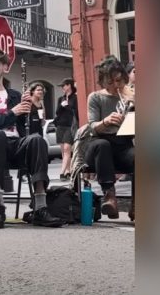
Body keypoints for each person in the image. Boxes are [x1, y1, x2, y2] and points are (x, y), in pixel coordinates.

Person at [0, 48, 64, 229]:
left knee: (37, 140)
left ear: (5, 68)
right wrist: (12, 113)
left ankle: (40, 207)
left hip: (16, 147)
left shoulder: (15, 96)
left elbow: (31, 131)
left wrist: (31, 109)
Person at [84, 55, 135, 220]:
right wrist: (105, 121)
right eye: (110, 82)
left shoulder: (129, 96)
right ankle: (109, 196)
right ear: (103, 81)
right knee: (102, 145)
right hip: (99, 145)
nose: (115, 86)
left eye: (119, 81)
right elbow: (91, 127)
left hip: (122, 143)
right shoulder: (96, 97)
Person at [55, 78, 79, 181]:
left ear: (69, 85)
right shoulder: (61, 98)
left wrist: (68, 106)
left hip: (70, 125)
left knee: (67, 149)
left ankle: (62, 173)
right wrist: (61, 106)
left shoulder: (75, 98)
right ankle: (68, 171)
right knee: (63, 150)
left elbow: (76, 112)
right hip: (60, 125)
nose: (62, 88)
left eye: (63, 86)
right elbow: (57, 112)